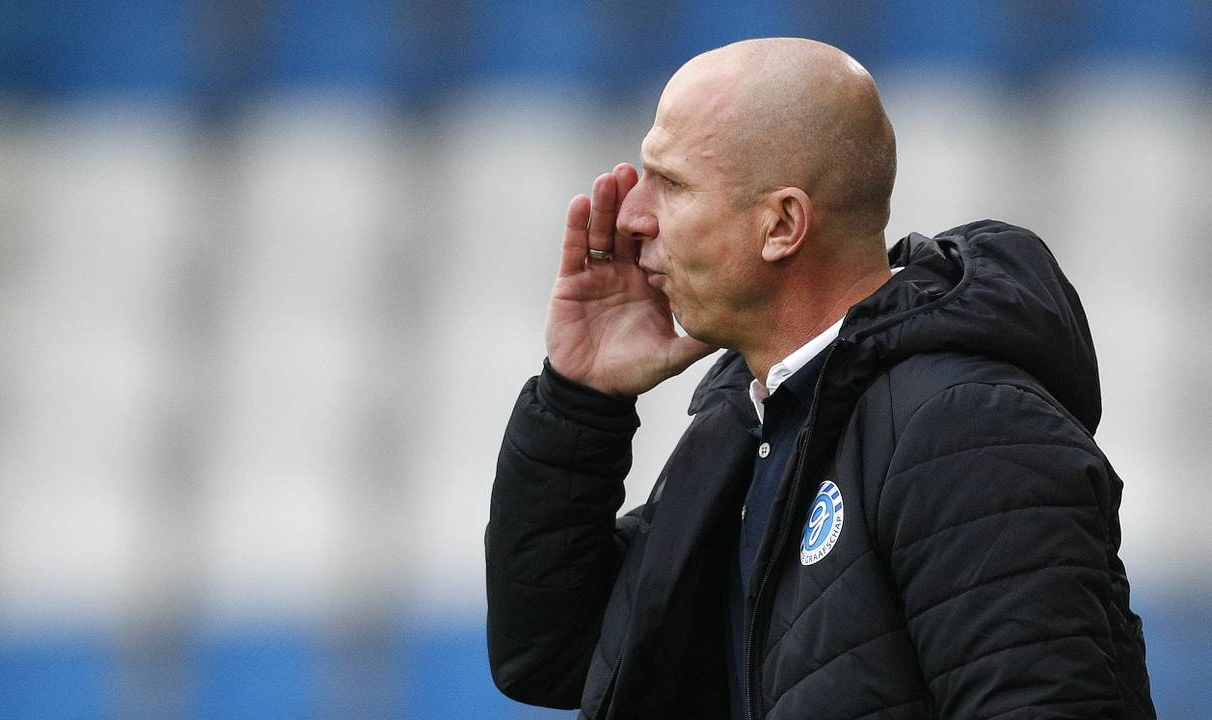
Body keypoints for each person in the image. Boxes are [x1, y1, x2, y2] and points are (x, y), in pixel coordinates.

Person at [485, 37, 1155, 720]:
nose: (631, 218)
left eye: (673, 184)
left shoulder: (968, 428)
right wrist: (582, 399)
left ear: (782, 224)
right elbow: (553, 659)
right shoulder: (750, 427)